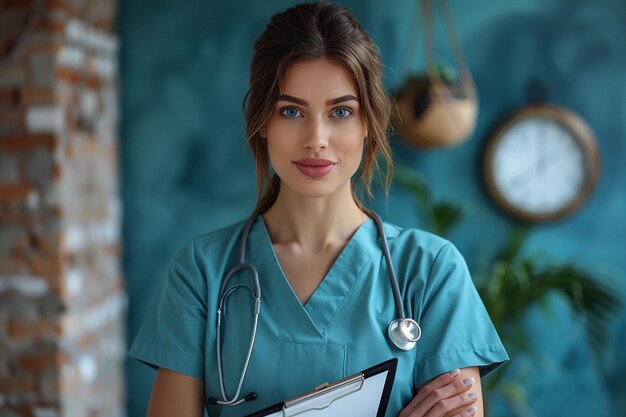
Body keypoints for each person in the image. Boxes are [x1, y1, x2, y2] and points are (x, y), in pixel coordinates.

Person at [128, 2, 509, 417]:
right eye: (291, 111)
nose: (317, 138)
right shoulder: (202, 272)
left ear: (368, 123)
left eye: (341, 112)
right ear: (262, 122)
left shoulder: (432, 270)